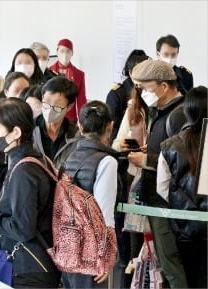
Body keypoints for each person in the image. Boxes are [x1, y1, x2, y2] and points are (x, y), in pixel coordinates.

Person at [0, 97, 60, 288]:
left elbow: (23, 228)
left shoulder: (24, 170)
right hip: (40, 262)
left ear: (15, 132)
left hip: (30, 269)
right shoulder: (38, 159)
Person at [127, 59, 187, 288]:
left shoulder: (178, 114)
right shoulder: (162, 111)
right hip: (154, 197)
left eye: (145, 87)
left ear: (163, 86)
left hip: (167, 202)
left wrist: (147, 160)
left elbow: (183, 160)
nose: (142, 93)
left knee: (170, 261)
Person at [60, 101, 118, 288]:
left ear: (80, 125)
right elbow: (103, 214)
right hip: (90, 252)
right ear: (110, 126)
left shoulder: (67, 154)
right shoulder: (107, 161)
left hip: (67, 245)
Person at [157, 86, 207, 289]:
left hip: (183, 228)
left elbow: (162, 188)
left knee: (188, 277)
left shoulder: (170, 145)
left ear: (186, 112)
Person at [33, 76, 80, 164]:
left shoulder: (75, 135)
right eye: (46, 103)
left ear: (69, 106)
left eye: (57, 106)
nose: (50, 110)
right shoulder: (29, 129)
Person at [106, 50, 148, 143]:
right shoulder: (116, 94)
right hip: (122, 146)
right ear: (130, 73)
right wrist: (119, 146)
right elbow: (111, 127)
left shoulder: (149, 92)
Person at [49, 39, 86, 122]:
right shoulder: (48, 72)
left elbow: (81, 100)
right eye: (62, 51)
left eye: (68, 51)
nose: (65, 54)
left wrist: (82, 120)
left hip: (70, 118)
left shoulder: (79, 74)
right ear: (57, 52)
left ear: (72, 53)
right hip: (52, 116)